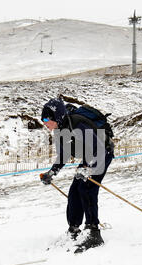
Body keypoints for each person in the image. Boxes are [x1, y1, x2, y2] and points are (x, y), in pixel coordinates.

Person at [40, 98, 114, 253]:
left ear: (56, 117)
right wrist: (51, 173)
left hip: (102, 152)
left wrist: (86, 168)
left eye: (47, 118)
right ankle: (74, 230)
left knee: (87, 188)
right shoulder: (61, 130)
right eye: (43, 119)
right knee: (75, 190)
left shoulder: (78, 124)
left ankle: (93, 233)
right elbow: (64, 154)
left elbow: (97, 148)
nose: (44, 122)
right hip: (90, 156)